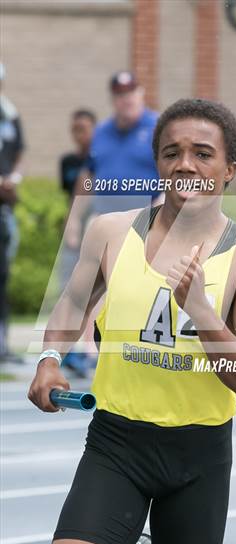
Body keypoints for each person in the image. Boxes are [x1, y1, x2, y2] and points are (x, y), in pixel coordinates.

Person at [28, 98, 236, 544]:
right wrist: (49, 359)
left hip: (198, 456)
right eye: (171, 152)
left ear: (229, 169)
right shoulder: (109, 232)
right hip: (116, 442)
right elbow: (72, 304)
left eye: (202, 153)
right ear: (158, 163)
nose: (185, 164)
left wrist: (204, 314)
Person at [65, 71, 161, 251]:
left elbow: (175, 175)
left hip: (149, 222)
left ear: (141, 93)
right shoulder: (101, 131)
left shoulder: (159, 127)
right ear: (112, 99)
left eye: (131, 92)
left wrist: (159, 215)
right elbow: (88, 175)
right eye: (120, 94)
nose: (126, 99)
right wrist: (74, 218)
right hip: (106, 221)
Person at [59, 109, 97, 377]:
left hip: (95, 231)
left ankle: (88, 351)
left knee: (93, 295)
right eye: (75, 129)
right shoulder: (68, 161)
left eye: (84, 128)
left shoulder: (101, 160)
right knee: (70, 292)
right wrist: (70, 227)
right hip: (74, 234)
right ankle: (69, 351)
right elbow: (72, 198)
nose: (79, 134)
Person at [0, 62, 25, 363]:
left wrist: (13, 179)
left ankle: (2, 346)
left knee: (3, 277)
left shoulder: (10, 114)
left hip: (4, 208)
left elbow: (19, 155)